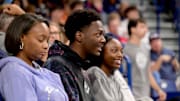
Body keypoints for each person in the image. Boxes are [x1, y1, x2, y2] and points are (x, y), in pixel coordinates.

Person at [0, 13, 68, 101]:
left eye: (47, 40)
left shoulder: (49, 74)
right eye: (40, 40)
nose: (46, 46)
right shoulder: (13, 71)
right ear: (22, 38)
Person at [44, 9, 106, 101]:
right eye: (98, 35)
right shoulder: (57, 65)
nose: (103, 40)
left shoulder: (80, 67)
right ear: (79, 36)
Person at [123, 19, 166, 101]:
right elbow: (123, 76)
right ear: (133, 29)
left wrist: (158, 90)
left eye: (146, 27)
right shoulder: (125, 50)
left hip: (145, 94)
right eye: (142, 27)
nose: (145, 30)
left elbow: (148, 72)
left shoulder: (146, 48)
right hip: (131, 95)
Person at [87, 34, 135, 101]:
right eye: (114, 51)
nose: (120, 55)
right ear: (101, 52)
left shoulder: (113, 76)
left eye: (121, 51)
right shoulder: (94, 72)